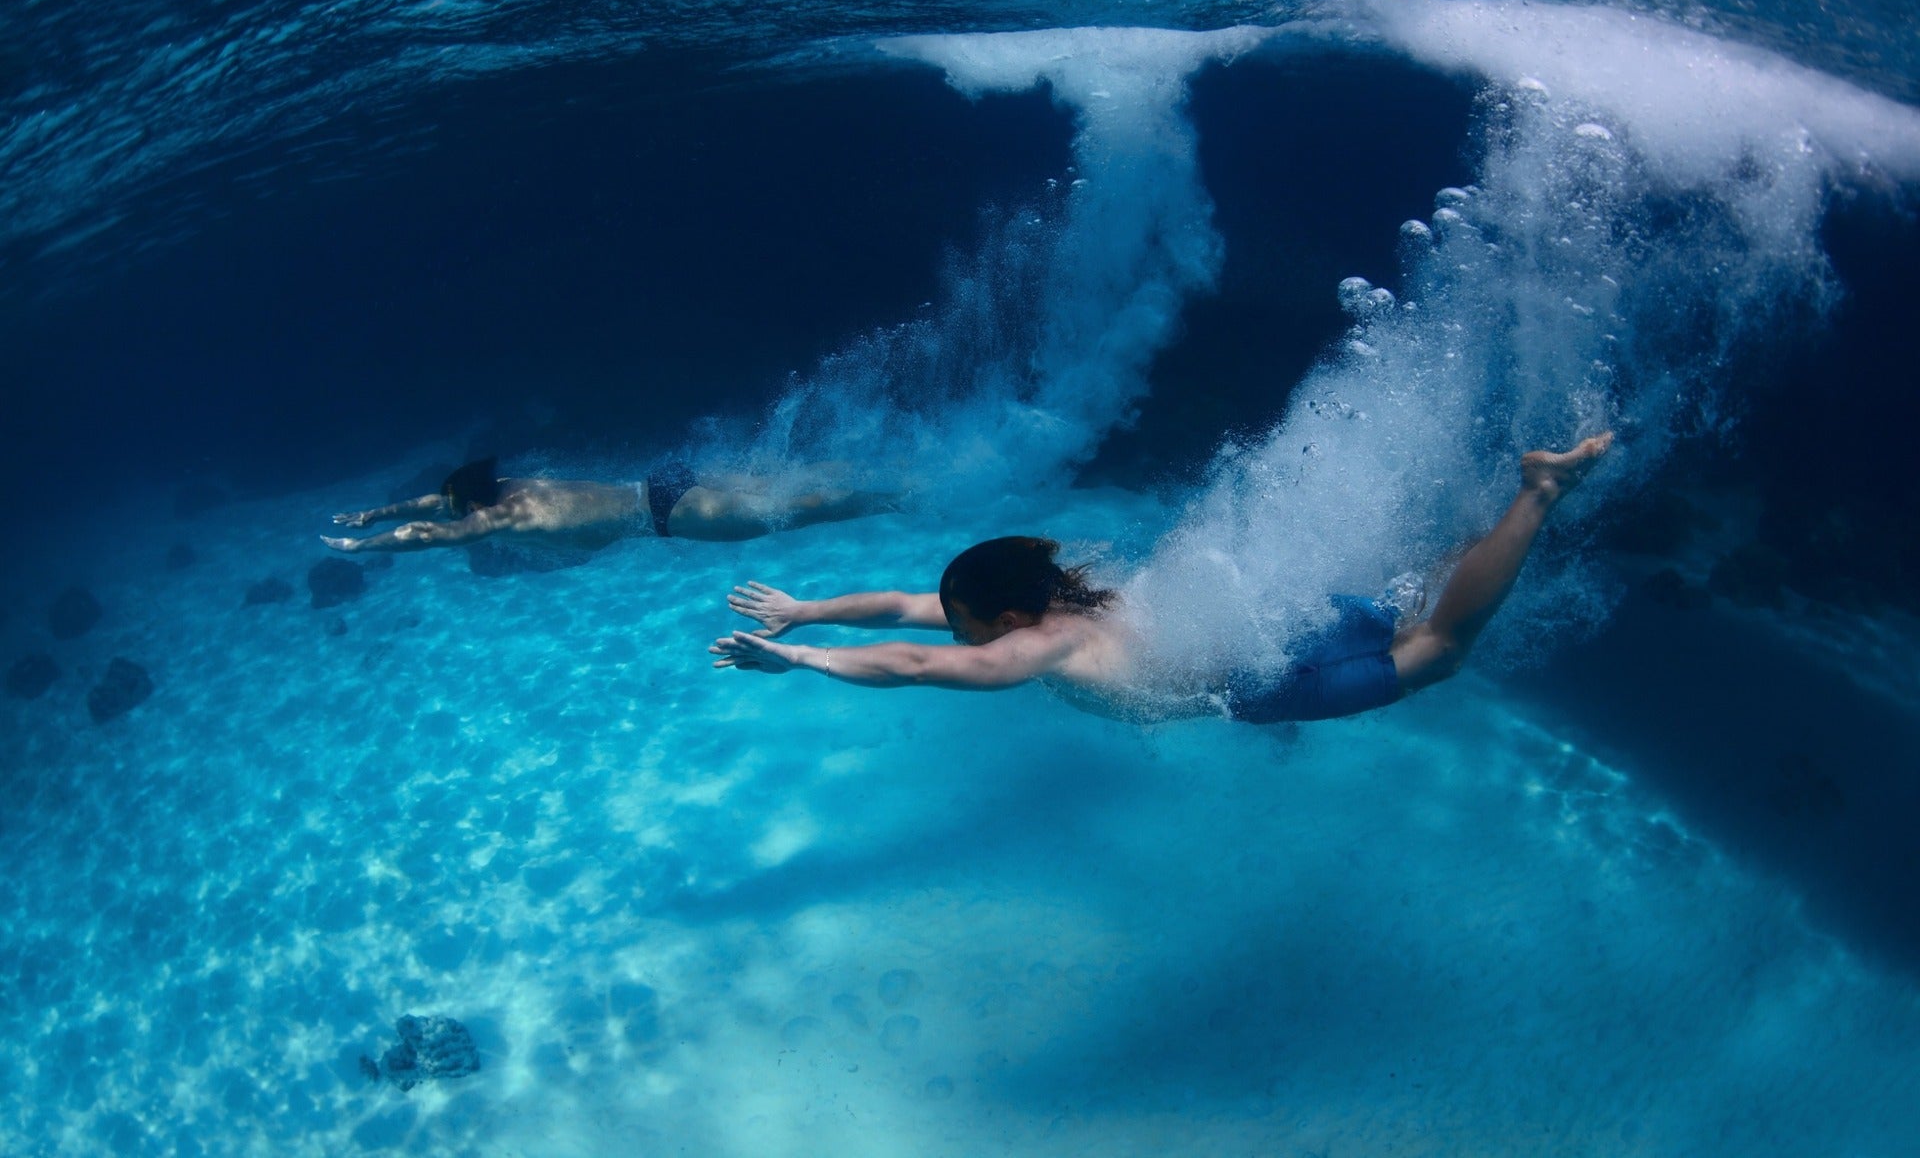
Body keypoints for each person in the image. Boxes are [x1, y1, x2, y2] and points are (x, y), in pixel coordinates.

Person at [709, 434, 1613, 724]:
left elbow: (921, 663)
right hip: (1270, 619)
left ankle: (1537, 496)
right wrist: (809, 609)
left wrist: (809, 663)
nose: (953, 630)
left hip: (1263, 677)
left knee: (1439, 651)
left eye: (966, 623)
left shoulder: (1045, 640)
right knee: (1407, 607)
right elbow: (908, 608)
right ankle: (1487, 526)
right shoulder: (1061, 585)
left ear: (1013, 618)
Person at [323, 457, 893, 554]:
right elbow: (435, 504)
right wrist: (377, 512)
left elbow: (429, 532)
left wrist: (363, 544)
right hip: (664, 480)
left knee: (797, 510)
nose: (451, 512)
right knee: (782, 481)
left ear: (470, 505)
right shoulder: (508, 485)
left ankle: (895, 495)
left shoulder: (502, 517)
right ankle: (877, 464)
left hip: (671, 514)